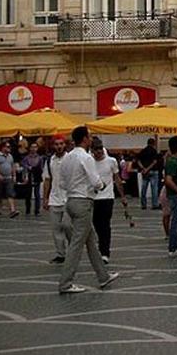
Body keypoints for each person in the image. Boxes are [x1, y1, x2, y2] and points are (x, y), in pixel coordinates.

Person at [57, 126, 119, 294]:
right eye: (90, 137)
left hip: (70, 200)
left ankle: (103, 276)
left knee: (90, 241)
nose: (91, 139)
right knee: (76, 245)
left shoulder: (67, 158)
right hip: (83, 202)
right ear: (84, 139)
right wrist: (102, 185)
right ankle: (65, 283)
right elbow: (95, 181)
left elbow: (61, 183)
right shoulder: (86, 158)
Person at [90, 138, 125, 263]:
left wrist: (122, 196)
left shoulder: (111, 161)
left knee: (105, 225)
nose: (99, 152)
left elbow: (117, 179)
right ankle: (101, 244)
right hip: (94, 198)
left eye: (100, 148)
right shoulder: (89, 162)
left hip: (107, 197)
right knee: (96, 224)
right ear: (92, 151)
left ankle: (105, 252)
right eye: (96, 149)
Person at [42, 136, 72, 265]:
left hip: (68, 198)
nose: (59, 146)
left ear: (65, 145)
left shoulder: (70, 158)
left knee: (68, 226)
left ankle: (73, 250)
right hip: (54, 198)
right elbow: (47, 180)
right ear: (53, 146)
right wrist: (45, 197)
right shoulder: (50, 161)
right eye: (56, 144)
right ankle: (61, 254)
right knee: (56, 229)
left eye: (61, 144)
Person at [0, 140, 18, 218]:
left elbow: (13, 166)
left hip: (8, 177)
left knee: (10, 193)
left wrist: (14, 176)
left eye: (9, 147)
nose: (9, 148)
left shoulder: (10, 156)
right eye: (8, 147)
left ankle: (12, 210)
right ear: (3, 147)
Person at [19, 140, 44, 216]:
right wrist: (25, 176)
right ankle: (28, 210)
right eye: (32, 147)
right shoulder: (26, 158)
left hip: (37, 175)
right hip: (29, 175)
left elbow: (41, 167)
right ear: (29, 148)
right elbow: (24, 167)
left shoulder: (40, 158)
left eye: (35, 147)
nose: (33, 149)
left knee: (37, 194)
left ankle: (37, 210)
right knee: (28, 194)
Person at [137, 137, 161, 210]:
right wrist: (148, 168)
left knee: (144, 188)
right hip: (153, 171)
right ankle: (155, 204)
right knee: (154, 189)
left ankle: (143, 204)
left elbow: (138, 161)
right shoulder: (154, 151)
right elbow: (154, 162)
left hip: (144, 172)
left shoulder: (143, 151)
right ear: (153, 143)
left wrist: (144, 169)